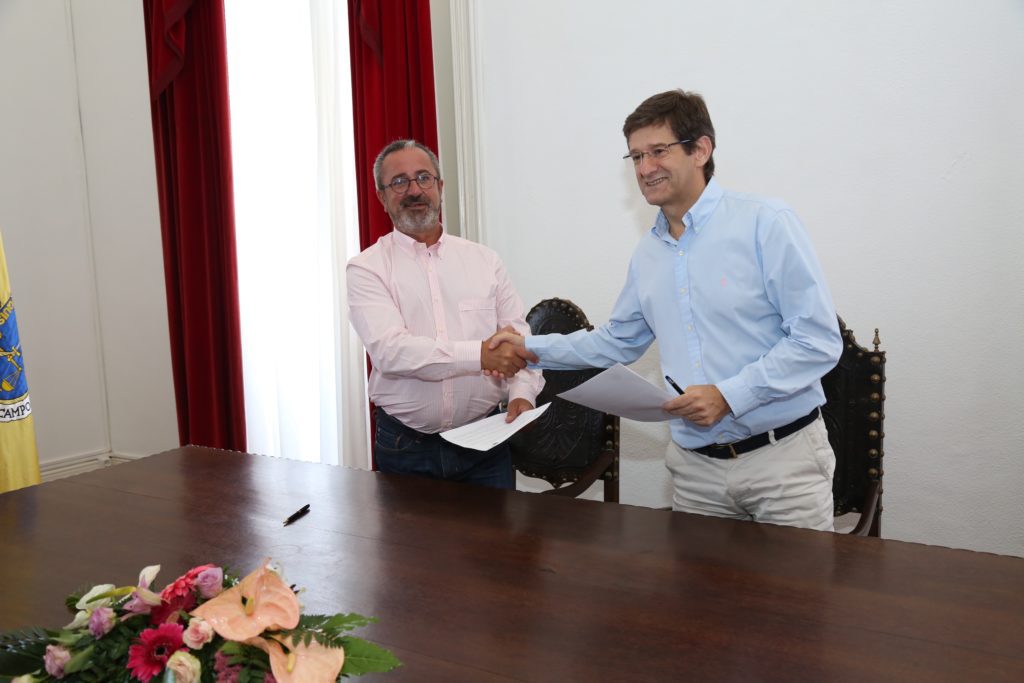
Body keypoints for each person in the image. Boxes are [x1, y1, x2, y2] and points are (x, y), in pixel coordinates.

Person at [490, 90, 843, 529]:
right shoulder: (648, 254)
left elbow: (817, 341)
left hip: (782, 463)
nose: (644, 168)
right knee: (696, 579)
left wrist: (730, 395)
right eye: (636, 156)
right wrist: (528, 348)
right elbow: (618, 341)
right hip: (696, 471)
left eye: (658, 151)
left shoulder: (765, 223)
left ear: (701, 150)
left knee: (799, 579)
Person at [347, 139, 541, 489]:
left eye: (423, 178)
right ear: (381, 197)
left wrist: (522, 395)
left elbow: (520, 342)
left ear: (440, 186)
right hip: (406, 448)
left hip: (486, 446)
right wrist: (479, 354)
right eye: (399, 182)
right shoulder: (366, 269)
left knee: (493, 530)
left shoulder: (485, 261)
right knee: (407, 531)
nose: (414, 190)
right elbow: (392, 352)